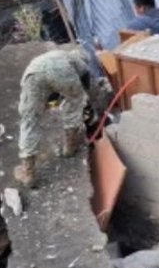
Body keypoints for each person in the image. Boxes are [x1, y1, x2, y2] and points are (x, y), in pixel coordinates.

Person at [15, 46, 100, 188]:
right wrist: (86, 104)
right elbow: (86, 92)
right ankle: (69, 147)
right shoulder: (81, 64)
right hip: (62, 73)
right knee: (73, 106)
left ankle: (28, 172)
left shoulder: (57, 55)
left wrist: (43, 102)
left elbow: (50, 90)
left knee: (29, 120)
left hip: (33, 73)